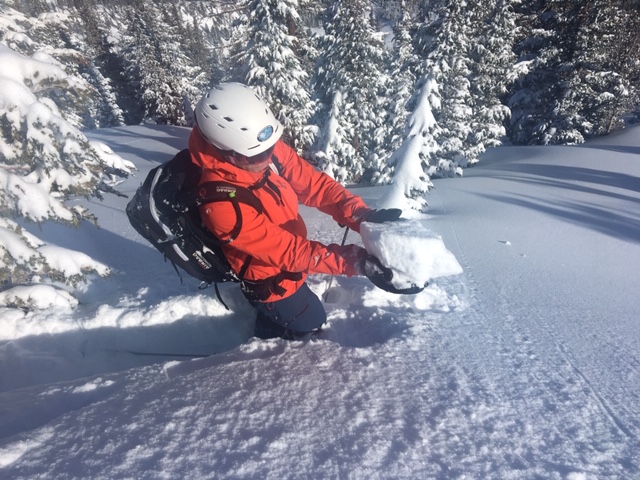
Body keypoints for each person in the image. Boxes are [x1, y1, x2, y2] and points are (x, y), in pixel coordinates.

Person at [190, 82, 401, 339]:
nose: (267, 159)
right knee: (312, 321)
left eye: (270, 148)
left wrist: (361, 215)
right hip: (268, 277)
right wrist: (356, 262)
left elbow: (316, 186)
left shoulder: (259, 146)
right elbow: (288, 251)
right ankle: (267, 332)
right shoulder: (221, 203)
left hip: (292, 260)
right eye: (254, 157)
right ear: (225, 152)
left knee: (304, 305)